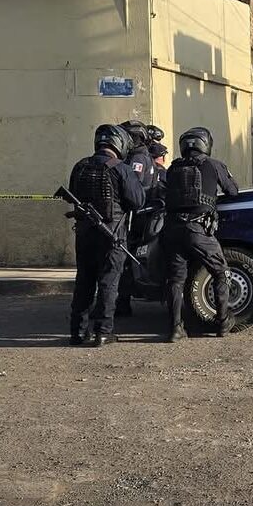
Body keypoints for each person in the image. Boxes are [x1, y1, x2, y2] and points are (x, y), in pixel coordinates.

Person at [67, 124, 145, 346]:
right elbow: (138, 201)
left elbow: (74, 196)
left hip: (84, 234)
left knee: (84, 282)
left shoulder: (80, 167)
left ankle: (77, 332)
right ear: (119, 144)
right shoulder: (121, 168)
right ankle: (103, 331)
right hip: (113, 235)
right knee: (109, 282)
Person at [161, 127, 240, 342]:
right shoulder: (213, 165)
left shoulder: (173, 168)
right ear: (206, 144)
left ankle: (175, 329)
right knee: (220, 271)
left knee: (176, 280)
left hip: (172, 230)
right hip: (199, 231)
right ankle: (223, 322)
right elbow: (233, 191)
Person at [116, 120, 156, 318]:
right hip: (140, 214)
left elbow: (132, 186)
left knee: (124, 259)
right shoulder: (137, 155)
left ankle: (123, 302)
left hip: (136, 216)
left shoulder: (137, 157)